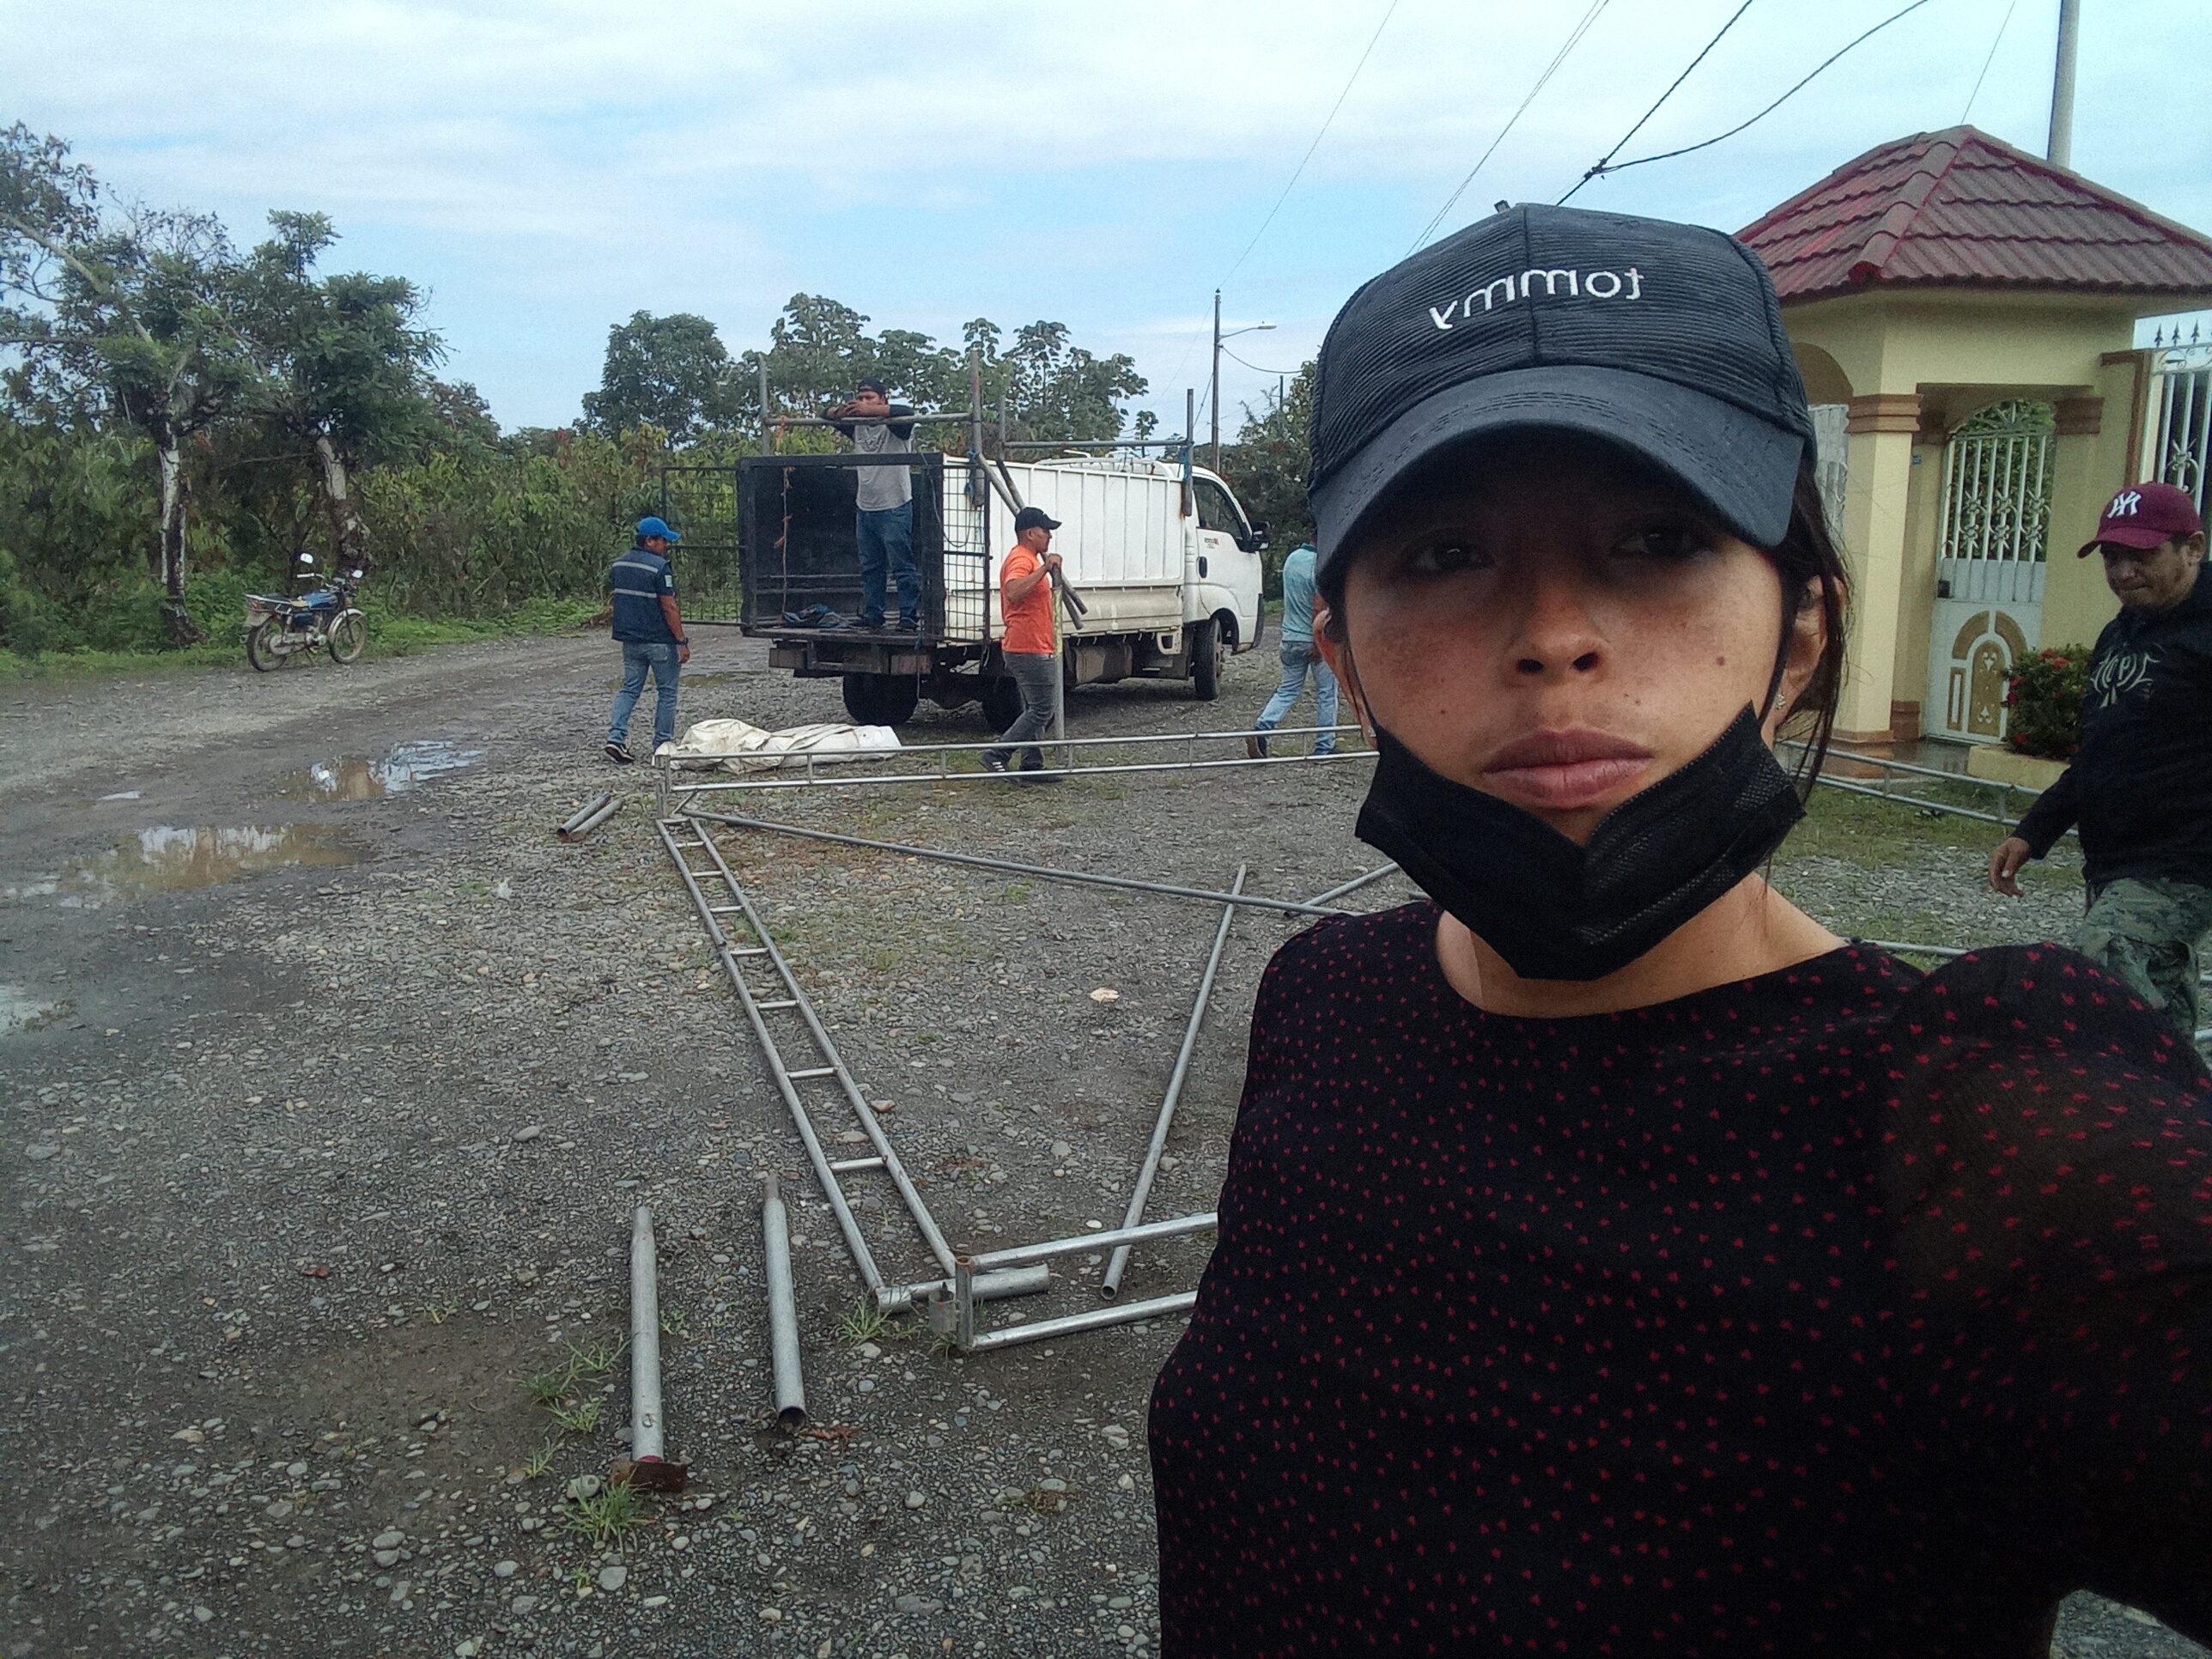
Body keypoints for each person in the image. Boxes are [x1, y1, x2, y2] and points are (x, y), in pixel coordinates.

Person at [1147, 204, 2212, 1655]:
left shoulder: (1978, 1119)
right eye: (1446, 552)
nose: (1556, 636)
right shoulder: (1324, 1000)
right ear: (1342, 649)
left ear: (1803, 632)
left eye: (1658, 539)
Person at [1989, 483, 2212, 1042]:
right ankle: (2177, 1094)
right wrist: (2033, 832)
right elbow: (2097, 753)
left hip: (2184, 862)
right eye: (2112, 556)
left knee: (2101, 966)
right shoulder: (2119, 634)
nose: (2123, 572)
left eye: (2142, 555)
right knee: (2160, 1022)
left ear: (2193, 548)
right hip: (2113, 861)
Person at [826, 379, 920, 632]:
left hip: (895, 505)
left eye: (870, 398)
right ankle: (873, 615)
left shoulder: (896, 426)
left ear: (883, 400)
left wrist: (872, 411)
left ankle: (908, 617)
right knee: (871, 567)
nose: (863, 403)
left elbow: (908, 412)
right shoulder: (857, 427)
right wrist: (839, 412)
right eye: (860, 398)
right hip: (866, 507)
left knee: (901, 565)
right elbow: (825, 415)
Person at [982, 506, 1061, 777]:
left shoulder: (1027, 558)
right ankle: (997, 753)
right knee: (1042, 709)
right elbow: (1013, 591)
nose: (1049, 535)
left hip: (1029, 645)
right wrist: (1045, 569)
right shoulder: (1022, 559)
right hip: (1028, 646)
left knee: (1032, 707)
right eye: (1045, 530)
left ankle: (1032, 764)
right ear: (1030, 533)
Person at [604, 515, 690, 763]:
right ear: (650, 541)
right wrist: (681, 641)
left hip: (630, 641)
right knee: (667, 692)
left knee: (629, 689)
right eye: (663, 540)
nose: (666, 545)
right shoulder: (659, 567)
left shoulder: (618, 564)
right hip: (659, 641)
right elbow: (669, 606)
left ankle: (615, 737)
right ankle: (662, 744)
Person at [1245, 540, 1338, 757]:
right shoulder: (1320, 564)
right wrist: (1318, 643)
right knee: (1326, 693)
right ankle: (1324, 747)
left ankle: (1262, 728)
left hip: (1289, 638)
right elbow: (1318, 606)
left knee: (1287, 689)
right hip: (1313, 639)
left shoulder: (1292, 559)